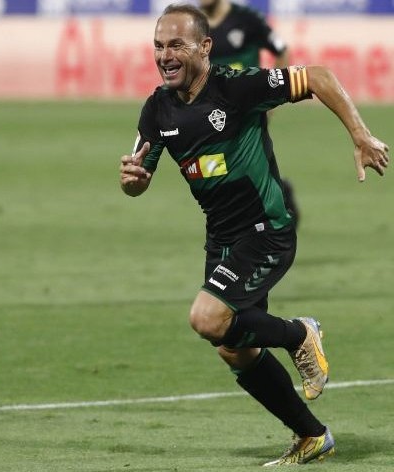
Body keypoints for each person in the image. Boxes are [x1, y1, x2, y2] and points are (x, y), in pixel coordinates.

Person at [119, 4, 388, 466]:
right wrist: (134, 182)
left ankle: (299, 333)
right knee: (233, 348)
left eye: (176, 45)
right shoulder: (156, 108)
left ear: (205, 47)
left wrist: (360, 135)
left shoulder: (237, 88)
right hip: (221, 239)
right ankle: (312, 436)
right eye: (158, 46)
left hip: (266, 229)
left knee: (206, 318)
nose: (165, 55)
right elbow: (137, 175)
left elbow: (319, 76)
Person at [199, 0, 301, 226]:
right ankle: (279, 194)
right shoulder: (196, 25)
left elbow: (281, 49)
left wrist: (272, 98)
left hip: (248, 110)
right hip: (214, 114)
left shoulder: (247, 19)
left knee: (241, 167)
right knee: (225, 169)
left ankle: (272, 221)